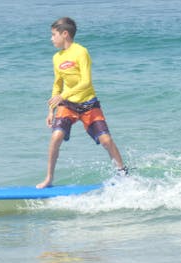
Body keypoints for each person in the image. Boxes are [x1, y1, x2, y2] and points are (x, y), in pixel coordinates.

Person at [36, 17, 127, 189]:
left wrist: (64, 95)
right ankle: (49, 178)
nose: (51, 38)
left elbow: (86, 82)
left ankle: (123, 174)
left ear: (65, 34)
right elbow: (57, 85)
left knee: (106, 140)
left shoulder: (81, 52)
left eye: (54, 35)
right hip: (67, 105)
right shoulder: (56, 58)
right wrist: (51, 110)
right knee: (55, 138)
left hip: (88, 104)